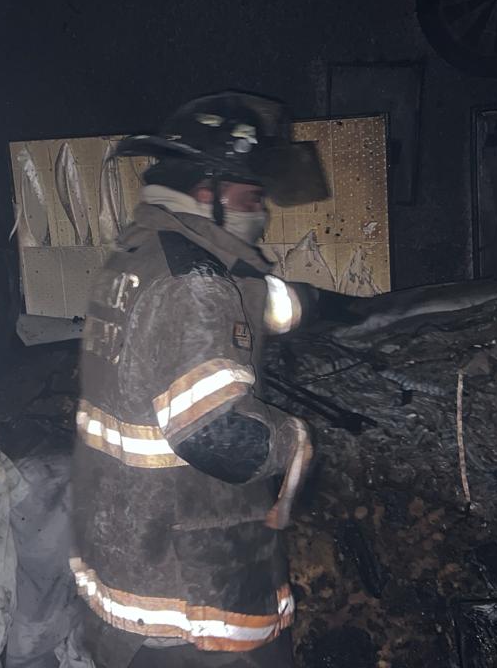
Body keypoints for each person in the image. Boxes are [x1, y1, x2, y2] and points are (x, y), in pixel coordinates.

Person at [69, 92, 330, 668]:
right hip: (193, 588)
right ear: (206, 192)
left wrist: (306, 304)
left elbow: (228, 310)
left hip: (127, 546)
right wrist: (297, 441)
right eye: (252, 194)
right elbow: (216, 437)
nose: (262, 209)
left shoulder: (138, 258)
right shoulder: (196, 284)